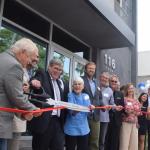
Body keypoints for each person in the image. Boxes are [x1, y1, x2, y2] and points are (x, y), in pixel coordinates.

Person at [0, 38, 41, 150]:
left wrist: (22, 114)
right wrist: (33, 109)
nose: (29, 62)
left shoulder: (2, 57)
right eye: (29, 58)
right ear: (22, 52)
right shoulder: (14, 65)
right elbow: (16, 96)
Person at [30, 59, 68, 150]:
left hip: (58, 122)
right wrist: (34, 82)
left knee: (58, 147)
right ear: (49, 67)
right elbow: (35, 79)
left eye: (60, 70)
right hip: (44, 121)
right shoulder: (42, 74)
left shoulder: (60, 82)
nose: (58, 71)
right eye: (56, 68)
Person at [64, 77, 95, 150]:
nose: (77, 86)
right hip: (71, 128)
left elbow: (88, 112)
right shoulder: (70, 95)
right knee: (70, 148)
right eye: (75, 84)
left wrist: (91, 109)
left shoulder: (86, 96)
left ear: (83, 86)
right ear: (72, 86)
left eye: (79, 84)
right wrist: (76, 111)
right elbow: (71, 110)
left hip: (84, 128)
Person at [81, 62, 102, 150]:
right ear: (86, 69)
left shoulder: (97, 82)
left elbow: (99, 97)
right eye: (90, 68)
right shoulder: (80, 80)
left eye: (93, 68)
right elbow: (78, 95)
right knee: (83, 140)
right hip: (84, 115)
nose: (91, 70)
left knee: (95, 140)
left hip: (96, 116)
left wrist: (104, 106)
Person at [119, 83, 141, 150]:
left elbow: (139, 112)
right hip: (126, 123)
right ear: (127, 90)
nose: (131, 90)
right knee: (124, 143)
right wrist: (132, 111)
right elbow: (124, 110)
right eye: (129, 88)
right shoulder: (124, 99)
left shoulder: (136, 100)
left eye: (132, 88)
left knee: (134, 144)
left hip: (134, 123)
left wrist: (134, 112)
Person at [105, 74, 124, 150]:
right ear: (109, 82)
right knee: (106, 140)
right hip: (106, 119)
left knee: (115, 141)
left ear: (117, 83)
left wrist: (122, 108)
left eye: (115, 81)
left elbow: (122, 107)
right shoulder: (105, 91)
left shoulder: (120, 94)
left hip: (116, 121)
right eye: (112, 81)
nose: (114, 82)